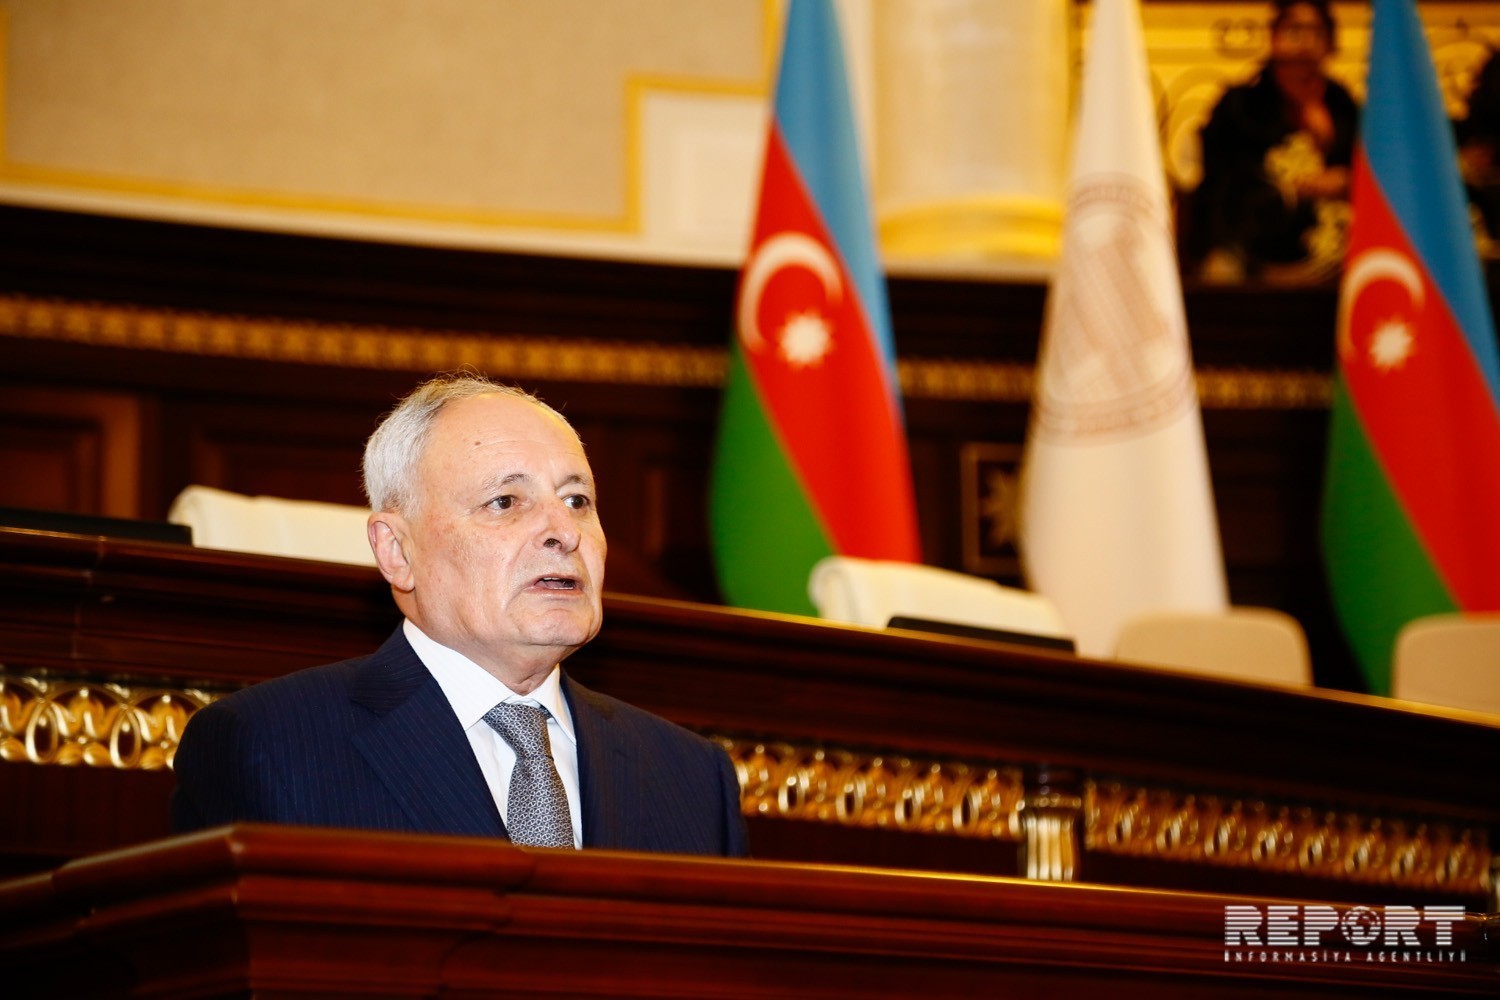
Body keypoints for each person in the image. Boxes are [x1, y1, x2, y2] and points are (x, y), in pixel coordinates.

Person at [172, 374, 748, 857]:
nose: (564, 531)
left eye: (577, 500)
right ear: (398, 552)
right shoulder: (266, 745)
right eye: (506, 501)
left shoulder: (692, 777)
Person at [1190, 0, 1358, 281]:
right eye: (1295, 30)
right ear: (1274, 37)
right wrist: (1294, 187)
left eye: (1315, 32)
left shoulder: (1343, 105)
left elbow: (1376, 171)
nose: (1305, 43)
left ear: (1330, 43)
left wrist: (1345, 180)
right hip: (1254, 247)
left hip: (1335, 250)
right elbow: (1222, 186)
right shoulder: (1241, 105)